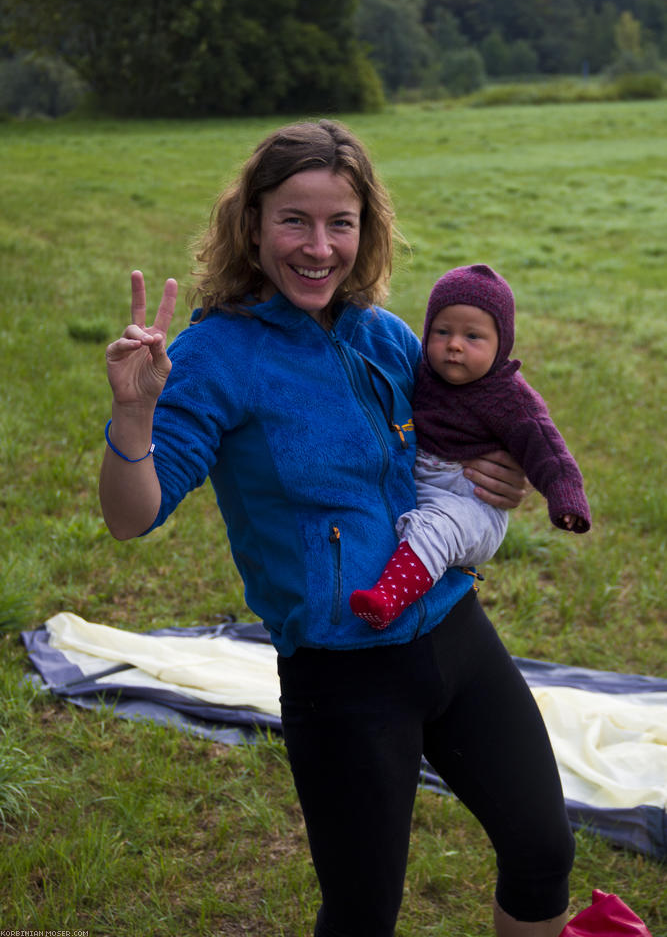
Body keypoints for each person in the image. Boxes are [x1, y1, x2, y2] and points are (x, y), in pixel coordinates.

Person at [99, 119, 575, 937]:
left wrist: (504, 476)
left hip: (452, 631)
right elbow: (129, 516)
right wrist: (134, 414)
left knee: (542, 847)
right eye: (294, 220)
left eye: (340, 223)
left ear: (367, 229)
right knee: (361, 915)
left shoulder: (387, 337)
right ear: (251, 224)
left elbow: (459, 444)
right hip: (342, 676)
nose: (318, 247)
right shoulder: (215, 357)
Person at [350, 262, 591, 630]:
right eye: (442, 332)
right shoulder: (422, 373)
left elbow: (547, 450)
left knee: (435, 530)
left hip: (472, 501)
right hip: (427, 481)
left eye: (473, 337)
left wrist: (566, 496)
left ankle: (387, 598)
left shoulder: (510, 397)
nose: (454, 346)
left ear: (502, 344)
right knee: (408, 523)